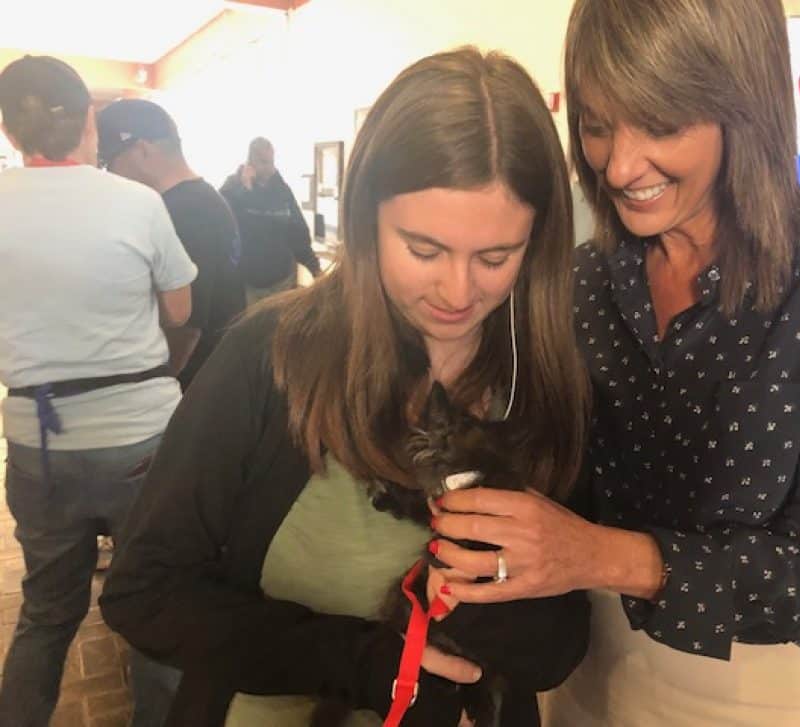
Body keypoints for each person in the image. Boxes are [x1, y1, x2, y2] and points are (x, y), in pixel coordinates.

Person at [428, 2, 800, 726]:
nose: (618, 163)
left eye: (661, 124)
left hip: (770, 685)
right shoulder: (583, 281)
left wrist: (592, 553)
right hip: (589, 667)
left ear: (746, 105)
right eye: (598, 123)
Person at [99, 47, 590, 727]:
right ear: (366, 219)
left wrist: (502, 591)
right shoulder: (269, 356)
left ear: (537, 243)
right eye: (423, 249)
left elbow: (559, 651)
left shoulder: (545, 377)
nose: (457, 291)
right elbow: (143, 591)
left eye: (495, 257)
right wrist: (363, 663)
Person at [0, 55, 196, 726]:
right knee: (157, 599)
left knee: (48, 610)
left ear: (9, 129)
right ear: (89, 117)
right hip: (139, 434)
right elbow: (179, 311)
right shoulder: (137, 203)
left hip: (38, 438)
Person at [97, 99, 246, 391]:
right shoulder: (205, 198)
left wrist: (157, 384)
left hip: (194, 384)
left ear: (141, 149)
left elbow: (187, 326)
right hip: (218, 373)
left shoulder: (182, 211)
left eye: (108, 163)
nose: (110, 175)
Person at [220, 136, 321, 305]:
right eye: (264, 162)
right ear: (250, 161)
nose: (270, 168)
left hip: (282, 279)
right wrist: (245, 189)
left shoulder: (281, 189)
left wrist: (315, 269)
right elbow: (223, 225)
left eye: (271, 162)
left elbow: (297, 232)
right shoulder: (232, 188)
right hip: (248, 282)